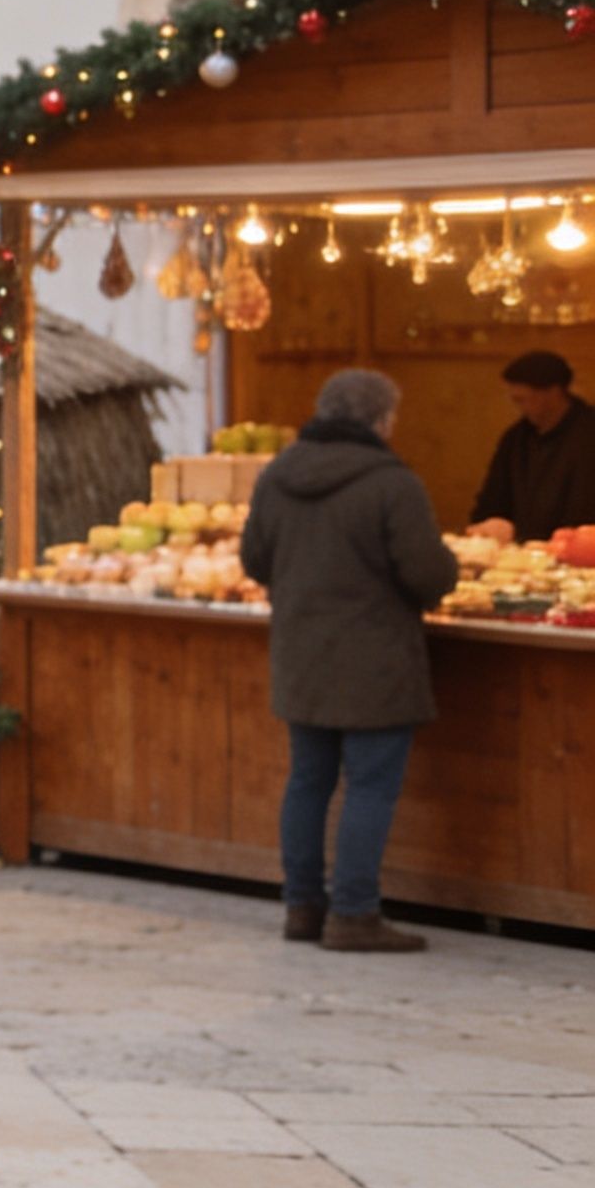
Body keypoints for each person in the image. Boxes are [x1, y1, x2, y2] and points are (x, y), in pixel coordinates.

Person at [241, 368, 453, 953]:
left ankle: (303, 910)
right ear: (381, 420)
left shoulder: (277, 475)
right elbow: (430, 576)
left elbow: (255, 560)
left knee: (308, 781)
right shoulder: (392, 484)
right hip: (375, 662)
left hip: (301, 655)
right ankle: (354, 915)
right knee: (370, 786)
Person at [471, 349, 595, 540]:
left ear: (554, 392)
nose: (518, 407)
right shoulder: (515, 439)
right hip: (521, 554)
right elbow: (493, 500)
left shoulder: (588, 434)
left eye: (522, 400)